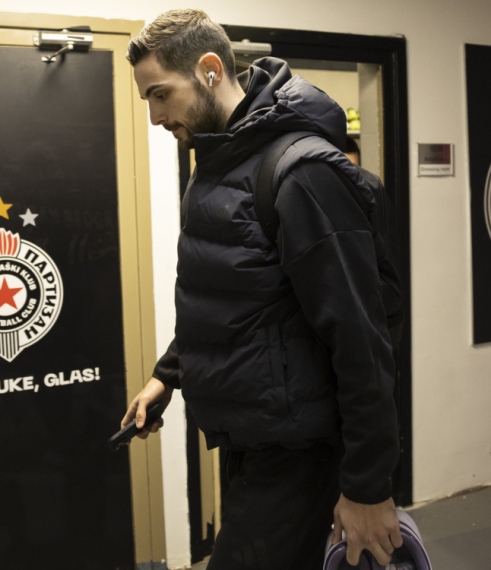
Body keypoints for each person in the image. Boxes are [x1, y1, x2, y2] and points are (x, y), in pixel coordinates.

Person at [122, 9, 403, 570]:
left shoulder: (301, 173)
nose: (154, 117)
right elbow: (234, 292)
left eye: (160, 95)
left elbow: (361, 337)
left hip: (301, 453)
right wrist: (168, 374)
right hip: (252, 439)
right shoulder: (220, 162)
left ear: (209, 70)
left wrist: (368, 487)